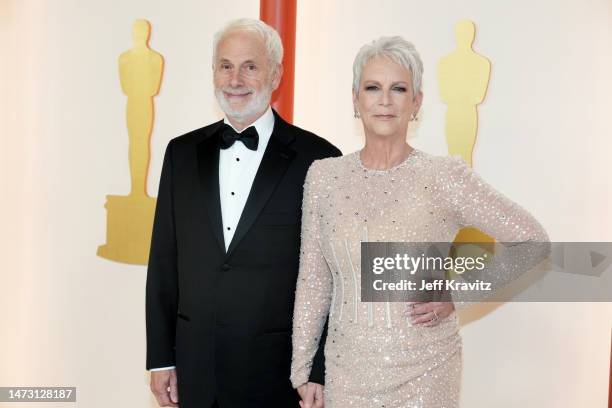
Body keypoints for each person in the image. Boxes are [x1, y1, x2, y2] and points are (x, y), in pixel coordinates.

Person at [289, 36, 550, 407]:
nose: (384, 100)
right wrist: (302, 368)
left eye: (398, 88)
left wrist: (458, 294)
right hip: (346, 372)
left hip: (427, 372)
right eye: (372, 88)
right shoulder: (324, 178)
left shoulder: (444, 176)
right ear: (354, 98)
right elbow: (313, 279)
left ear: (416, 102)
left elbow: (532, 242)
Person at [146, 18, 341, 408]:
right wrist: (161, 357)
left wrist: (317, 368)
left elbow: (333, 279)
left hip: (278, 376)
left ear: (276, 74)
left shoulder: (319, 159)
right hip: (194, 369)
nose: (235, 79)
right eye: (225, 65)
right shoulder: (179, 153)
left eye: (250, 66)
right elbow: (164, 260)